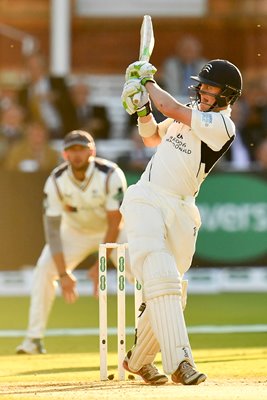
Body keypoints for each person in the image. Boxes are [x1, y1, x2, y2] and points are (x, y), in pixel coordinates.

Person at [120, 58, 242, 385]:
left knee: (172, 289)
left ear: (227, 95)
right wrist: (142, 112)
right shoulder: (190, 111)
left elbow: (169, 106)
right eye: (202, 85)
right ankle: (181, 362)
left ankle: (138, 360)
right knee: (160, 272)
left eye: (211, 87)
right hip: (146, 196)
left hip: (182, 209)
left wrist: (146, 82)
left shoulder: (222, 126)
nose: (203, 91)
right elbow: (151, 138)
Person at [16, 130, 131, 354]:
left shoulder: (110, 174)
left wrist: (101, 263)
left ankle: (150, 335)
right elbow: (52, 229)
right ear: (65, 154)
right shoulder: (56, 181)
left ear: (92, 151)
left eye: (81, 149)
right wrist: (62, 273)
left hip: (112, 232)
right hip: (75, 233)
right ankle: (34, 339)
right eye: (72, 150)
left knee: (138, 270)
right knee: (44, 270)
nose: (77, 155)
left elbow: (115, 220)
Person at [18, 52, 77, 139]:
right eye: (30, 67)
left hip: (57, 131)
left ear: (44, 68)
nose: (33, 71)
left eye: (36, 67)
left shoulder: (57, 83)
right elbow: (22, 113)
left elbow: (71, 104)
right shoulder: (24, 90)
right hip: (35, 135)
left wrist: (55, 98)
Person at [161, 35, 207, 101]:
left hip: (197, 102)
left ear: (197, 52)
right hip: (176, 100)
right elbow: (172, 88)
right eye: (185, 50)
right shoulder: (171, 65)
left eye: (191, 50)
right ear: (179, 51)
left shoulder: (204, 65)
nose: (188, 53)